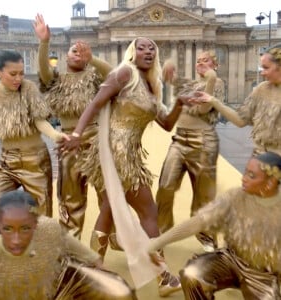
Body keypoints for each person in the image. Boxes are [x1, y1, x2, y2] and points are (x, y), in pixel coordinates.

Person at [58, 37, 184, 296]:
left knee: (108, 210)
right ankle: (162, 276)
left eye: (152, 48)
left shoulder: (150, 86)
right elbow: (96, 103)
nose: (147, 51)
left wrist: (181, 102)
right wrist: (77, 135)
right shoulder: (125, 73)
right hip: (116, 153)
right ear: (132, 52)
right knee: (148, 210)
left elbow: (167, 123)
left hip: (129, 154)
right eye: (141, 47)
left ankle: (92, 270)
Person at [148, 151, 281, 299]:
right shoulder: (235, 196)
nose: (243, 179)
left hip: (263, 276)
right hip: (231, 259)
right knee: (192, 276)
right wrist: (157, 243)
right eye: (245, 172)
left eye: (251, 176)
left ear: (270, 183)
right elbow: (199, 221)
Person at [33, 14, 112, 239]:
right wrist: (44, 42)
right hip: (69, 141)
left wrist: (92, 59)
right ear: (65, 57)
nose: (78, 53)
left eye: (82, 51)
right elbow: (44, 71)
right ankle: (70, 245)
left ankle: (110, 238)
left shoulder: (95, 76)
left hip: (97, 139)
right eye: (73, 51)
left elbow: (113, 75)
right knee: (70, 197)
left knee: (107, 193)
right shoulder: (57, 80)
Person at [0, 190, 137, 299]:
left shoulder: (48, 228)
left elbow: (73, 246)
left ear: (36, 224)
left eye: (25, 229)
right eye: (8, 229)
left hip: (65, 279)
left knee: (121, 293)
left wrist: (99, 267)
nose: (16, 239)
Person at [0, 50, 68, 242]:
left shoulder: (28, 88)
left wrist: (55, 135)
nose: (18, 78)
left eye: (21, 73)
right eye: (13, 74)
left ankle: (41, 261)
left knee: (42, 218)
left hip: (35, 162)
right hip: (6, 162)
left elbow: (40, 120)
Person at [156, 51, 225, 252]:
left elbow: (204, 109)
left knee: (204, 195)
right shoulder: (190, 85)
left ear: (215, 65)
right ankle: (162, 229)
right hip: (179, 139)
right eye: (198, 61)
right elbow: (173, 79)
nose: (200, 63)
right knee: (165, 185)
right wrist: (168, 66)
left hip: (203, 142)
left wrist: (211, 78)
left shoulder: (217, 83)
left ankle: (206, 236)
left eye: (206, 61)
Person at [192, 43, 281, 156]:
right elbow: (240, 120)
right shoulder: (262, 89)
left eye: (266, 68)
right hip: (261, 161)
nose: (262, 72)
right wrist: (213, 100)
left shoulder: (217, 82)